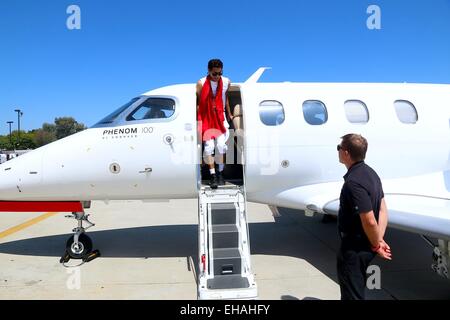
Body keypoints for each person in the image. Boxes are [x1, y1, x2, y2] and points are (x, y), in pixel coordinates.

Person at [336, 133, 392, 300]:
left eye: (339, 148)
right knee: (356, 289)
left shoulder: (353, 182)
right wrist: (379, 240)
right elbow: (382, 210)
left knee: (352, 295)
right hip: (366, 245)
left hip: (355, 248)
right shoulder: (371, 174)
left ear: (346, 153)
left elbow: (368, 219)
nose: (338, 151)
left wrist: (376, 244)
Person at [196, 59, 233, 189]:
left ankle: (220, 173)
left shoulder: (227, 82)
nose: (217, 76)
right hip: (207, 118)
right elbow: (200, 104)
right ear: (208, 71)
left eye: (219, 73)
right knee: (208, 148)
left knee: (221, 146)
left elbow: (225, 98)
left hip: (220, 117)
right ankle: (213, 175)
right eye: (214, 74)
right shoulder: (201, 83)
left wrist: (229, 113)